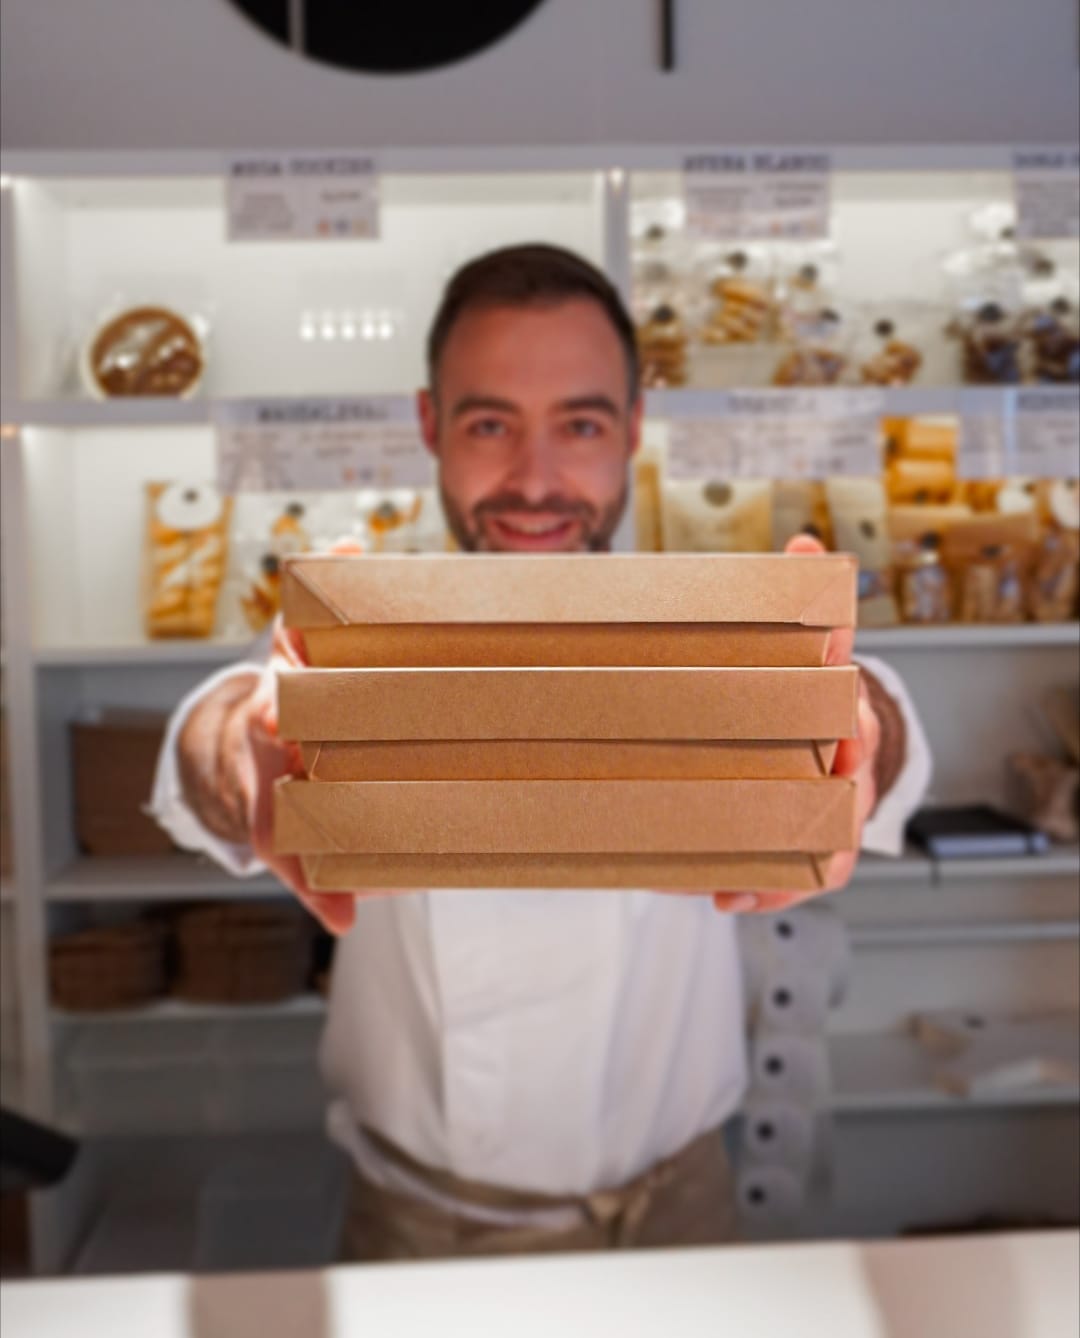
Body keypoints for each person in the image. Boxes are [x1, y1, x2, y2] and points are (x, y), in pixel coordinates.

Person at [151, 244, 930, 1260]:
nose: (536, 479)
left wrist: (857, 725)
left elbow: (883, 726)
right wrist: (240, 757)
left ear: (634, 430)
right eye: (489, 424)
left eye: (581, 424)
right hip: (419, 1230)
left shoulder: (714, 632)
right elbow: (220, 729)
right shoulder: (352, 637)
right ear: (430, 426)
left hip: (680, 1218)